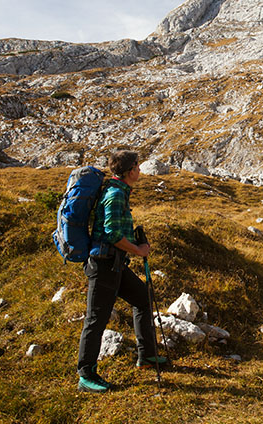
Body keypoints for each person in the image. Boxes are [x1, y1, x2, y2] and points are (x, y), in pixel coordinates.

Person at [76, 149, 166, 393]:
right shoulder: (115, 194)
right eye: (137, 165)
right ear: (129, 171)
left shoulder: (119, 191)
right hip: (103, 265)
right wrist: (138, 250)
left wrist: (135, 243)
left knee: (143, 298)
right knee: (96, 319)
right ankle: (86, 375)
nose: (140, 169)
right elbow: (112, 234)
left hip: (114, 263)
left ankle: (146, 355)